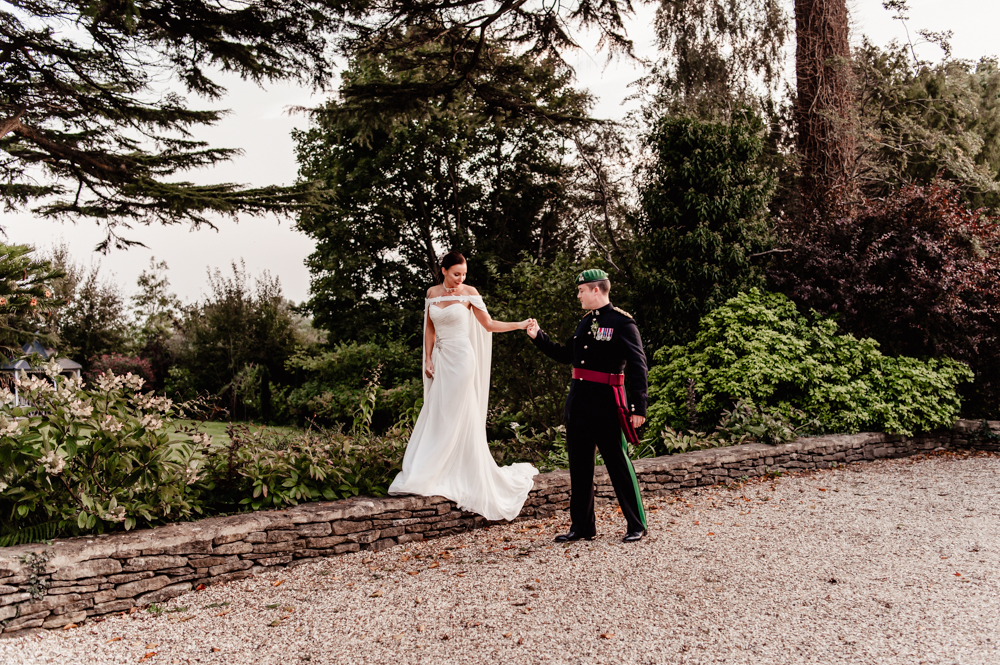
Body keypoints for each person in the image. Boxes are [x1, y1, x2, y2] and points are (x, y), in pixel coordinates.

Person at [388, 252, 539, 521]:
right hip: (441, 359)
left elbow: (488, 325)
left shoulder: (469, 293)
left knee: (457, 411)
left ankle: (458, 468)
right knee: (438, 412)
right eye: (456, 273)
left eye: (464, 274)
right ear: (444, 270)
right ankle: (431, 469)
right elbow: (430, 329)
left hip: (462, 359)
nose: (461, 278)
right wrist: (428, 358)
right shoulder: (432, 293)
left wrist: (519, 325)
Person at [526, 268, 649, 543]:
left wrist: (638, 407)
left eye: (581, 290)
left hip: (607, 406)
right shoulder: (584, 323)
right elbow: (566, 355)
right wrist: (538, 336)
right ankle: (582, 527)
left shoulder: (623, 323)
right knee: (579, 468)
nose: (578, 295)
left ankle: (636, 524)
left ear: (596, 290)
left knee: (619, 465)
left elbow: (639, 366)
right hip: (579, 404)